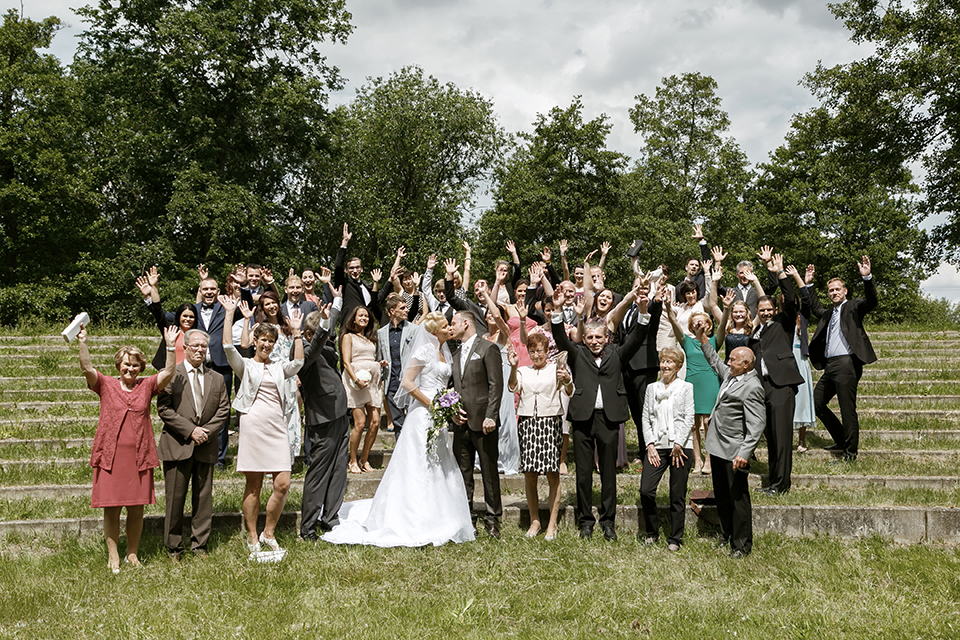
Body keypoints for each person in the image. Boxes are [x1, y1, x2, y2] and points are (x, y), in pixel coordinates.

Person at [322, 312, 475, 547]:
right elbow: (407, 383)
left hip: (438, 416)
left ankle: (441, 517)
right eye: (445, 326)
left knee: (439, 462)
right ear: (434, 331)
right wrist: (432, 404)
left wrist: (447, 404)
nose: (449, 329)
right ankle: (412, 518)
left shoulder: (445, 352)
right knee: (419, 463)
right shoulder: (424, 351)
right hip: (423, 415)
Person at [551, 280, 656, 541]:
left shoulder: (617, 353)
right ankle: (586, 521)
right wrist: (555, 311)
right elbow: (560, 337)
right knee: (583, 473)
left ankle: (609, 522)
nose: (595, 341)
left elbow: (638, 337)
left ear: (606, 337)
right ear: (584, 339)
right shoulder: (577, 353)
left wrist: (643, 312)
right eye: (590, 338)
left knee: (609, 474)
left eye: (599, 337)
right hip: (583, 419)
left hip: (609, 419)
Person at [78, 322, 179, 573]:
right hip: (111, 458)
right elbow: (87, 368)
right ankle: (113, 555)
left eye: (135, 365)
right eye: (126, 364)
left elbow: (169, 373)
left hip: (138, 457)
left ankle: (132, 554)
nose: (131, 368)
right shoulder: (106, 384)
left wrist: (169, 346)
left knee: (136, 509)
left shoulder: (146, 385)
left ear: (141, 367)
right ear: (118, 366)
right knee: (111, 510)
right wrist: (82, 342)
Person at [221, 296, 303, 558]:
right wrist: (230, 314)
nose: (267, 344)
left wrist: (298, 334)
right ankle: (252, 535)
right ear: (254, 342)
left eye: (270, 341)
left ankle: (269, 532)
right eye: (262, 340)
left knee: (282, 483)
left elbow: (298, 364)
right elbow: (227, 346)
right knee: (254, 485)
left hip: (277, 426)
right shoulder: (245, 366)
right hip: (253, 425)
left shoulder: (279, 367)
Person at [156, 329, 230, 559]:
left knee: (203, 500)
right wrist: (190, 431)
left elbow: (224, 410)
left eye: (203, 346)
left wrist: (205, 432)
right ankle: (173, 547)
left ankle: (200, 545)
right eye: (195, 345)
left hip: (206, 446)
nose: (199, 350)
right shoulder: (172, 375)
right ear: (185, 347)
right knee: (175, 499)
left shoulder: (216, 378)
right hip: (178, 445)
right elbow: (164, 408)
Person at [694, 324, 766, 559]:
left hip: (734, 451)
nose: (728, 362)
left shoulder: (752, 387)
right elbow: (715, 361)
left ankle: (742, 545)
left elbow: (756, 425)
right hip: (717, 447)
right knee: (722, 496)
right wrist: (702, 337)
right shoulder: (732, 376)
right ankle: (727, 535)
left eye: (733, 360)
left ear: (746, 364)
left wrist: (744, 454)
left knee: (738, 500)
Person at [808, 255, 878, 461]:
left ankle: (850, 453)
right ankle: (841, 439)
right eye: (831, 290)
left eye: (837, 289)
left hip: (847, 363)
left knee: (847, 409)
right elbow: (815, 308)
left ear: (845, 291)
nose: (834, 293)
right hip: (830, 365)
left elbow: (872, 301)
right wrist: (809, 283)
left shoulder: (853, 306)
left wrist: (867, 278)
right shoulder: (829, 314)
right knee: (817, 403)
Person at [749, 248, 803, 495]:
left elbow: (790, 298)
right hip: (763, 388)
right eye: (762, 310)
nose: (766, 313)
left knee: (782, 436)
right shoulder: (756, 333)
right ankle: (774, 481)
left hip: (782, 385)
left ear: (774, 310)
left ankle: (782, 484)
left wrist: (779, 273)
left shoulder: (784, 322)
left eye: (769, 309)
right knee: (771, 436)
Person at [508, 332, 573, 540]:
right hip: (528, 423)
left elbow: (571, 391)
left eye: (540, 351)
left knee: (552, 473)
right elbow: (512, 387)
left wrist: (568, 380)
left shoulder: (557, 370)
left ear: (547, 352)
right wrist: (512, 367)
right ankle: (535, 520)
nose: (536, 355)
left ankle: (552, 524)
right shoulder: (523, 371)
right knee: (530, 474)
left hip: (549, 422)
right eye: (533, 351)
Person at [449, 310, 504, 538]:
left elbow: (495, 385)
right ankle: (467, 517)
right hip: (460, 422)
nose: (450, 327)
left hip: (484, 422)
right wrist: (452, 412)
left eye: (453, 323)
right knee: (463, 472)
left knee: (489, 471)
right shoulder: (454, 352)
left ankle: (492, 518)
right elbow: (452, 386)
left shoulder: (487, 348)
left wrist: (491, 415)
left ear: (465, 323)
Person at [299, 294, 350, 539]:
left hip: (340, 413)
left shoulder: (324, 344)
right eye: (323, 332)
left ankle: (330, 518)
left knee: (339, 468)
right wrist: (323, 327)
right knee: (319, 473)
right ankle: (308, 526)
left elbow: (327, 332)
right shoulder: (303, 350)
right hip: (322, 419)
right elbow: (314, 349)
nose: (328, 337)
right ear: (311, 334)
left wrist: (337, 302)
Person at [639, 347, 695, 551]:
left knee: (676, 493)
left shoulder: (686, 387)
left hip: (680, 448)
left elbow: (690, 416)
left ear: (678, 366)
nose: (664, 365)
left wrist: (679, 443)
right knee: (646, 490)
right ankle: (652, 532)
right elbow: (645, 418)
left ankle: (675, 538)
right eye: (663, 361)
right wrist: (650, 444)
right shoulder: (652, 388)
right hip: (657, 446)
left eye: (669, 362)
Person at [665, 299, 722, 476]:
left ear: (708, 324)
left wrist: (725, 308)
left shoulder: (714, 341)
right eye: (695, 320)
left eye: (702, 320)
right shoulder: (687, 341)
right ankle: (697, 460)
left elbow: (725, 323)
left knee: (708, 422)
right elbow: (674, 324)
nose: (698, 322)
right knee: (693, 425)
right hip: (692, 382)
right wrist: (668, 308)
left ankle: (710, 459)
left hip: (710, 381)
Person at [341, 305, 385, 473]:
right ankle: (352, 460)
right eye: (361, 315)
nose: (364, 319)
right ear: (354, 318)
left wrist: (379, 365)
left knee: (374, 422)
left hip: (372, 382)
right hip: (356, 382)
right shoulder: (348, 337)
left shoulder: (370, 339)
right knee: (360, 423)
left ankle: (364, 459)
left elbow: (369, 358)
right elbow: (346, 362)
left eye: (366, 316)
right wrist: (356, 379)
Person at [377, 293, 419, 440]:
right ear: (392, 311)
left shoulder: (414, 330)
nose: (406, 310)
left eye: (406, 307)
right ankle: (401, 457)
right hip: (391, 383)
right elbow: (379, 357)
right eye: (402, 308)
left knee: (412, 421)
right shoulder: (381, 333)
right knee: (398, 422)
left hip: (410, 382)